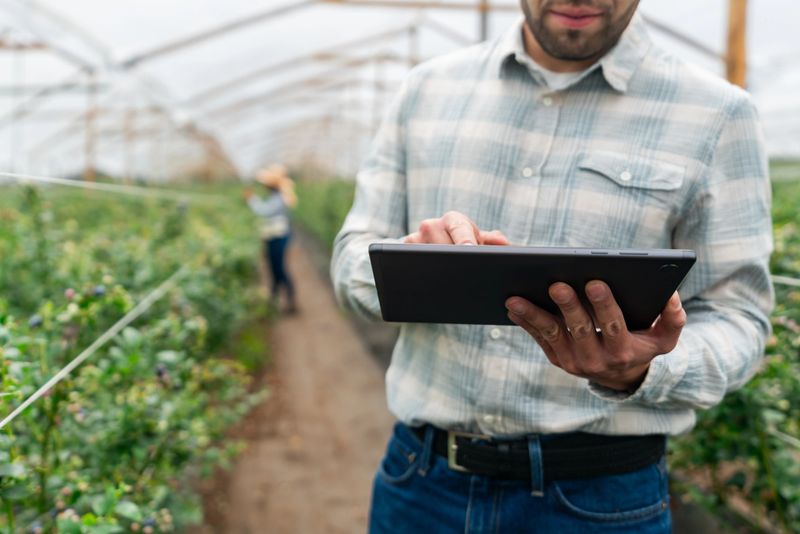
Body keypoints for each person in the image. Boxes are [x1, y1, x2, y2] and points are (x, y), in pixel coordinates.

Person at [331, 0, 774, 532]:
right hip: (422, 484)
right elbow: (352, 255)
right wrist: (411, 266)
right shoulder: (426, 91)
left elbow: (740, 317)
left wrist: (642, 367)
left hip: (599, 500)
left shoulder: (717, 114)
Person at [246, 164, 298, 314]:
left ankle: (287, 300)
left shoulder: (279, 198)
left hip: (278, 237)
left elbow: (264, 211)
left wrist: (251, 199)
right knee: (274, 268)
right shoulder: (276, 197)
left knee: (279, 268)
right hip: (273, 236)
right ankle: (275, 300)